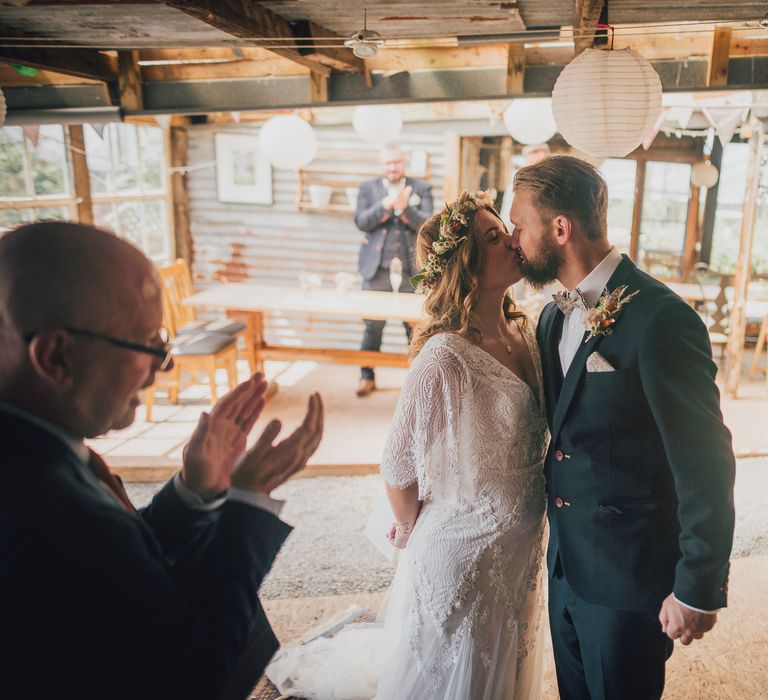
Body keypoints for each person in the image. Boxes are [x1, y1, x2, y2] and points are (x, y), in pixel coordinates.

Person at [0, 222, 324, 700]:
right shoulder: (50, 512)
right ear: (55, 356)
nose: (163, 366)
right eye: (148, 345)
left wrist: (195, 493)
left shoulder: (38, 446)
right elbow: (194, 672)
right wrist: (247, 501)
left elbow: (119, 580)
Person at [267, 191, 548, 699]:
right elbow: (397, 466)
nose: (512, 239)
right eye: (493, 237)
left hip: (519, 556)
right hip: (461, 558)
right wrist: (413, 527)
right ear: (467, 262)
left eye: (504, 229)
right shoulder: (444, 357)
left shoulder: (526, 333)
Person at [508, 155, 735, 700]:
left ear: (560, 228)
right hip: (566, 568)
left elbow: (705, 460)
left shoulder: (661, 319)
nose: (514, 239)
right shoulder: (549, 316)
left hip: (630, 577)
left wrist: (698, 587)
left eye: (520, 225)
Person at [354, 144, 433, 397]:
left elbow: (427, 224)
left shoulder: (421, 188)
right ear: (381, 164)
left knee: (414, 327)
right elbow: (362, 221)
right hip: (376, 268)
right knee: (372, 326)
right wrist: (388, 204)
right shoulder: (368, 188)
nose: (392, 167)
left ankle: (418, 381)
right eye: (387, 163)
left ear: (404, 162)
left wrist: (404, 208)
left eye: (396, 162)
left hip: (412, 270)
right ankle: (366, 376)